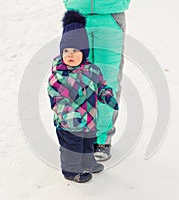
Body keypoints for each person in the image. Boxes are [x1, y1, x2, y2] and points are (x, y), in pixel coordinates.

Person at [47, 10, 119, 183]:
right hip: (68, 123)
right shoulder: (59, 75)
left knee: (88, 143)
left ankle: (87, 161)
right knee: (72, 147)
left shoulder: (92, 70)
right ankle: (71, 170)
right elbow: (58, 99)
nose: (70, 55)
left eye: (75, 50)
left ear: (84, 52)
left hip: (89, 120)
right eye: (67, 51)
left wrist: (107, 95)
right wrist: (70, 116)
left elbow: (100, 85)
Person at [62, 0, 130, 161]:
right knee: (76, 81)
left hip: (110, 16)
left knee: (107, 81)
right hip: (77, 15)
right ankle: (80, 137)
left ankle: (102, 140)